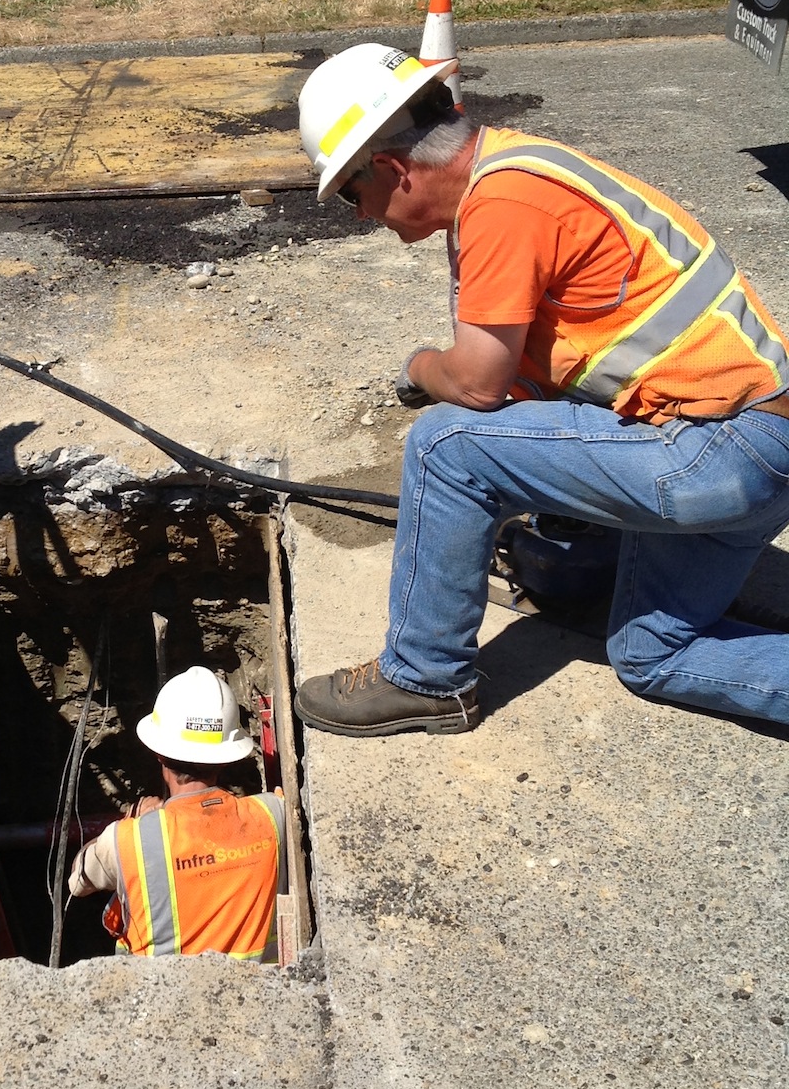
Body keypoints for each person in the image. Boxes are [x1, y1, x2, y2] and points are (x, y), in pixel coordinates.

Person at [291, 41, 789, 737]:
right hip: (759, 446)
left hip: (717, 449)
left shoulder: (502, 201)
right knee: (649, 655)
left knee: (445, 447)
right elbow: (534, 388)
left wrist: (420, 367)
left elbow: (474, 384)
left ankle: (425, 677)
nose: (358, 213)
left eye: (350, 191)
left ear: (393, 168)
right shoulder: (518, 170)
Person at [69, 665, 286, 959]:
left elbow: (78, 880)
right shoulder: (275, 814)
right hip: (261, 994)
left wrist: (133, 819)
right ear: (226, 758)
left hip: (161, 1000)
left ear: (158, 752)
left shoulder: (127, 841)